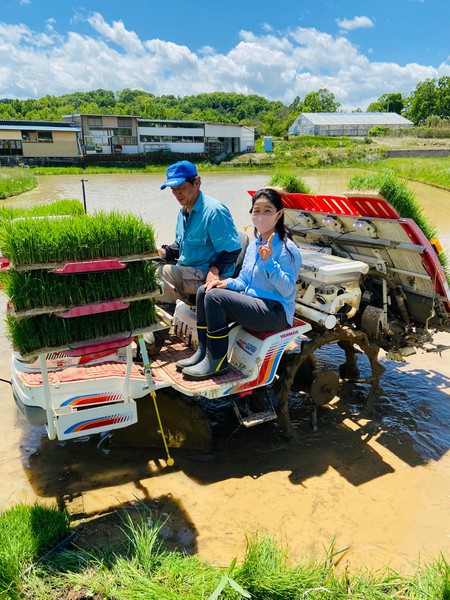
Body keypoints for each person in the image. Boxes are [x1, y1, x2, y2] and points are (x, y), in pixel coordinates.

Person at [178, 187, 302, 379]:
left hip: (275, 312)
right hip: (254, 302)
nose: (261, 216)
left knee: (216, 298)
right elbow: (244, 280)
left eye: (267, 211)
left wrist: (269, 262)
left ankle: (217, 361)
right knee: (206, 290)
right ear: (251, 214)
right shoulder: (254, 246)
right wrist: (225, 283)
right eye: (256, 211)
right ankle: (203, 353)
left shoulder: (288, 249)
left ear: (279, 214)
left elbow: (287, 291)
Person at [157, 160, 242, 308]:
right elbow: (181, 246)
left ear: (196, 183)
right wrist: (163, 252)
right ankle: (179, 308)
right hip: (188, 270)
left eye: (181, 188)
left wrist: (214, 270)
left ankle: (172, 314)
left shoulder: (214, 211)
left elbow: (233, 249)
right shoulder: (183, 212)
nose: (177, 194)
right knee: (152, 265)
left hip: (208, 273)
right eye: (173, 190)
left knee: (163, 273)